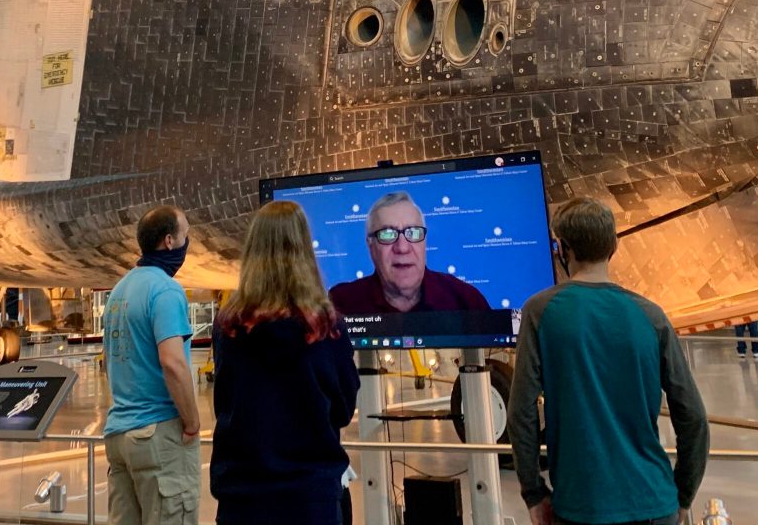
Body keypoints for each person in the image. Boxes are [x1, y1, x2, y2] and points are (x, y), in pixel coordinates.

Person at [509, 198, 709, 525]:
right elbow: (693, 417)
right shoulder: (651, 315)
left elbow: (521, 413)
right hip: (655, 502)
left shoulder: (539, 312)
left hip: (580, 506)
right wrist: (682, 495)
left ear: (563, 249)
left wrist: (533, 492)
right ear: (613, 247)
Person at [210, 201, 360, 525]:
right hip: (310, 497)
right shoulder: (327, 327)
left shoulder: (227, 327)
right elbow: (343, 410)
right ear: (304, 250)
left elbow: (223, 403)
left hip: (242, 498)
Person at [103, 205, 201, 525]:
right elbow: (173, 363)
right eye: (186, 234)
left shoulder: (119, 291)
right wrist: (192, 421)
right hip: (157, 434)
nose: (189, 242)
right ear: (170, 241)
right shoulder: (166, 289)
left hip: (119, 435)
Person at [329, 192, 490, 314]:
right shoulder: (341, 302)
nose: (402, 247)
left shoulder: (466, 300)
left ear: (424, 242)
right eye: (387, 234)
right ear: (370, 246)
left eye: (413, 232)